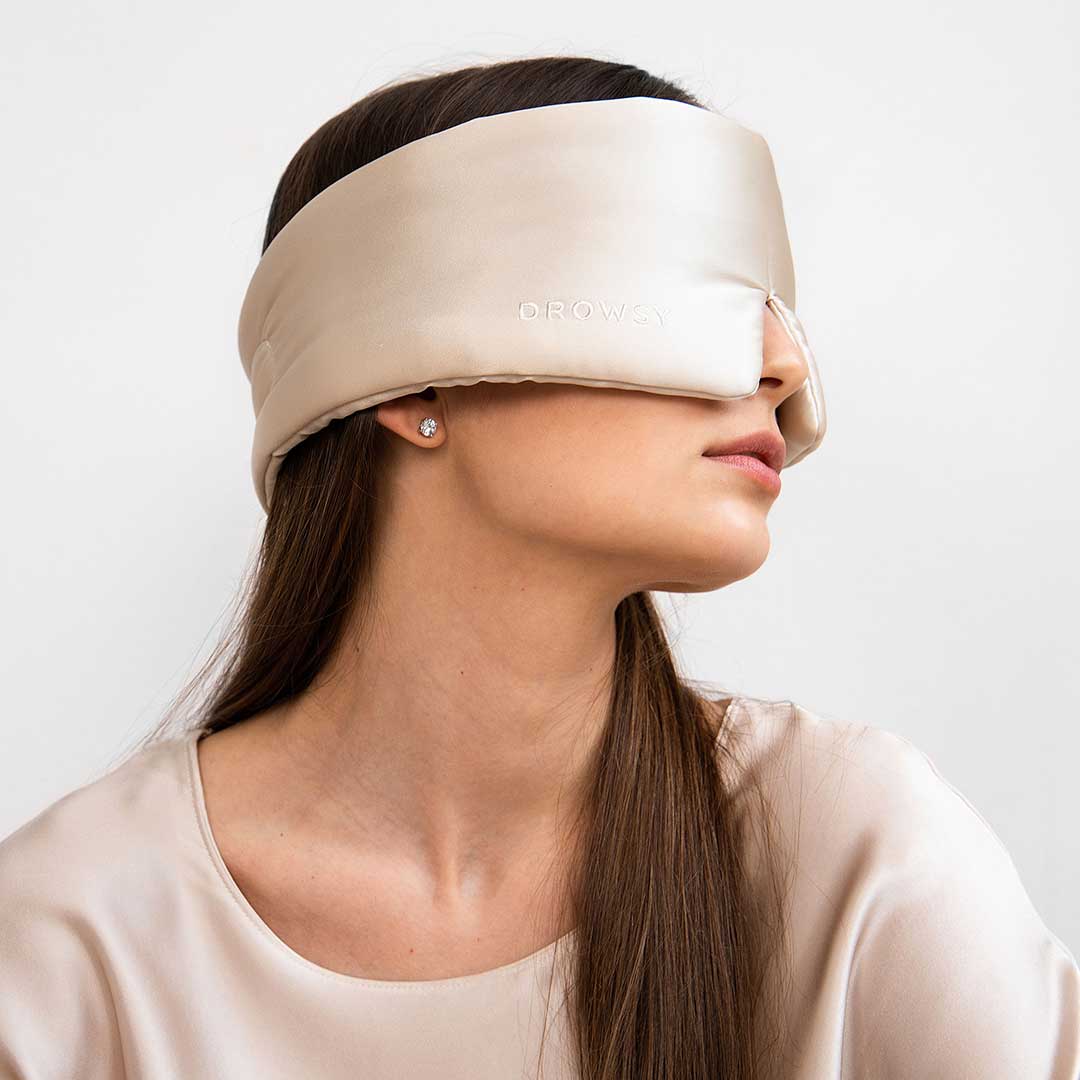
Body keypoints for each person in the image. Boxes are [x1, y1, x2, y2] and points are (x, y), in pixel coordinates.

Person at [1, 55, 1077, 1080]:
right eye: (672, 271)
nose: (782, 365)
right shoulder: (72, 941)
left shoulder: (848, 845)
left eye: (769, 299)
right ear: (409, 381)